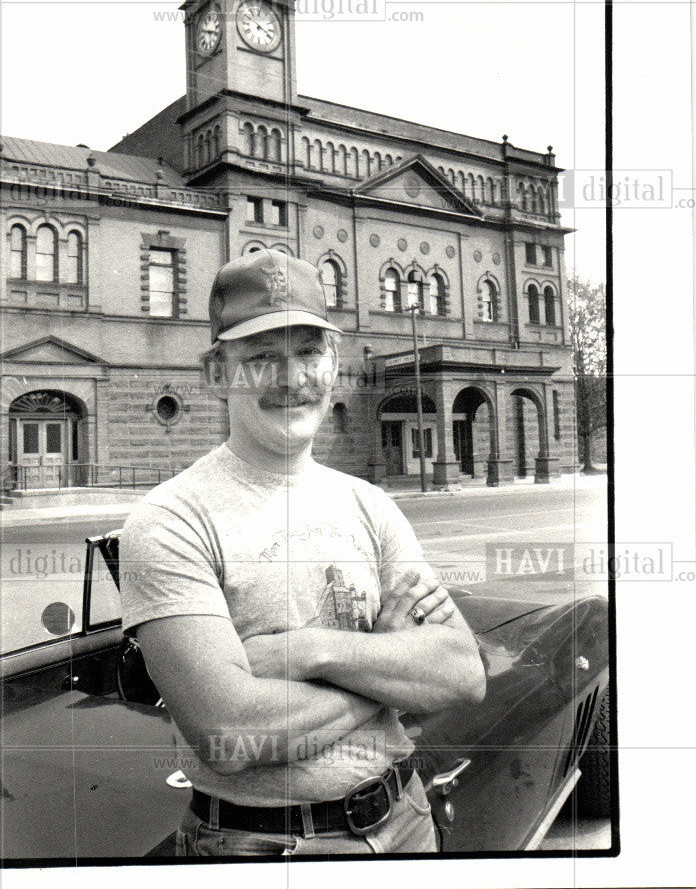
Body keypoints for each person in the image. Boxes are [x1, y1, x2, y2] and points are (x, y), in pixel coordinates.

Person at [120, 249, 486, 856]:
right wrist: (387, 669)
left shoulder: (371, 505)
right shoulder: (170, 521)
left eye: (308, 352)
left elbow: (463, 673)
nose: (292, 379)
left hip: (409, 822)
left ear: (334, 362)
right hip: (263, 847)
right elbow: (229, 733)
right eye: (262, 357)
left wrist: (305, 651)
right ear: (216, 374)